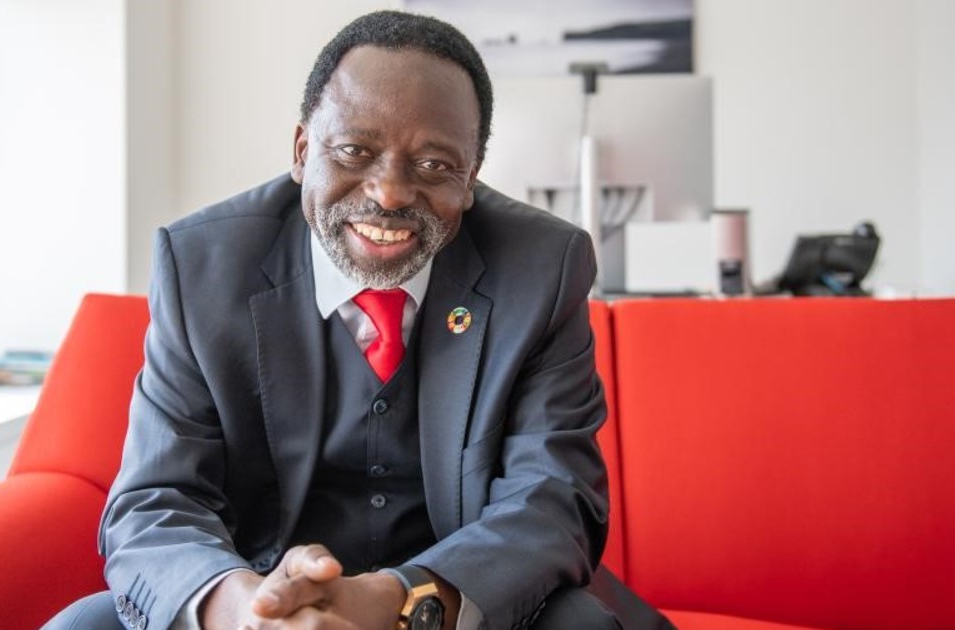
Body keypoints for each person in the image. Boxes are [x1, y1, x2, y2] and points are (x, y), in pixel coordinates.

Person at [46, 10, 673, 630]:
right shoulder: (202, 265)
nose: (390, 192)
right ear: (302, 151)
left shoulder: (542, 267)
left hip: (456, 603)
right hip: (257, 590)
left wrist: (395, 601)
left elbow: (553, 498)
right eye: (354, 151)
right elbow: (157, 499)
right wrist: (249, 611)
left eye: (434, 165)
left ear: (471, 177)